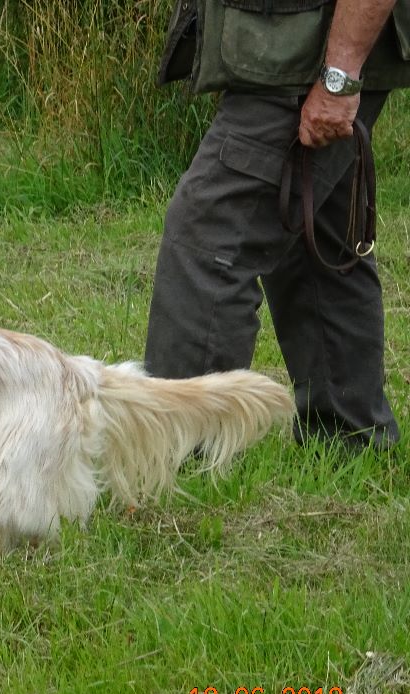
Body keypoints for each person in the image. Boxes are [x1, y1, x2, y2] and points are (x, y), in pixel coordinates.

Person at [146, 0, 408, 449]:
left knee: (209, 240)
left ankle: (181, 451)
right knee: (315, 235)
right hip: (296, 51)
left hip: (313, 61)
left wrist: (339, 76)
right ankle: (349, 435)